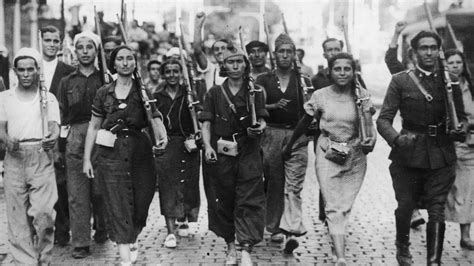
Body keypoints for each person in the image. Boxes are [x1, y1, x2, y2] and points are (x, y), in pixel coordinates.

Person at [377, 31, 467, 265]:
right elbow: (383, 119)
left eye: (433, 47)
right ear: (413, 52)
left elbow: (463, 118)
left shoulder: (450, 82)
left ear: (439, 50)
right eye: (423, 48)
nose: (428, 52)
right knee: (406, 205)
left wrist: (461, 129)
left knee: (437, 208)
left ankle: (433, 261)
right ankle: (402, 245)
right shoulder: (401, 80)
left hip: (442, 153)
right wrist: (396, 140)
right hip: (409, 153)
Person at [283, 52, 375, 265]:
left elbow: (369, 127)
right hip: (328, 153)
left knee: (344, 205)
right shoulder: (320, 96)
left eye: (347, 69)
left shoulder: (363, 96)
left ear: (354, 72)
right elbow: (305, 121)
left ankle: (337, 243)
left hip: (355, 157)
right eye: (337, 69)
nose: (342, 73)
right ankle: (341, 257)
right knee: (333, 205)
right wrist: (290, 145)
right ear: (330, 71)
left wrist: (370, 141)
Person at [83, 45, 167, 266]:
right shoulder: (104, 92)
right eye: (120, 59)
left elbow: (155, 117)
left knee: (141, 202)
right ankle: (124, 257)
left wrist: (162, 136)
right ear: (113, 64)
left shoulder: (143, 91)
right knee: (116, 202)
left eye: (130, 58)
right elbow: (93, 127)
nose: (125, 62)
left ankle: (132, 236)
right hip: (111, 152)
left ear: (135, 63)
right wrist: (86, 160)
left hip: (140, 151)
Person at [199, 43, 268, 265]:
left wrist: (260, 127)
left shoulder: (255, 91)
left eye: (239, 61)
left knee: (249, 199)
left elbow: (263, 118)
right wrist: (207, 146)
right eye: (230, 62)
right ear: (223, 65)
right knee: (223, 200)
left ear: (246, 65)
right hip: (221, 154)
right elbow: (206, 123)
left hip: (248, 153)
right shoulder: (214, 93)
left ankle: (246, 248)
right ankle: (230, 246)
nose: (235, 66)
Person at [0, 47, 60, 265]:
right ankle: (25, 262)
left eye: (30, 69)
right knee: (17, 220)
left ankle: (44, 258)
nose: (26, 74)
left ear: (37, 70)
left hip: (41, 157)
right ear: (15, 71)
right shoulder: (5, 98)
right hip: (14, 158)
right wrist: (6, 139)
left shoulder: (48, 98)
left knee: (44, 215)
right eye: (21, 70)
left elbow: (54, 126)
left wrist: (52, 138)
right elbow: (1, 128)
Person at [256, 33, 310, 253]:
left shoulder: (303, 80)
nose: (285, 56)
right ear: (274, 55)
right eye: (281, 52)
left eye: (290, 51)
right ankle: (275, 226)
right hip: (271, 134)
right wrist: (272, 107)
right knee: (275, 183)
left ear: (295, 54)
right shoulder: (263, 80)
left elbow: (311, 110)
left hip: (297, 136)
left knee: (293, 185)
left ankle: (291, 230)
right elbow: (256, 108)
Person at [57, 31, 108, 258]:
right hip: (76, 137)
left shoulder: (105, 79)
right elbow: (61, 115)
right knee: (77, 193)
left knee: (100, 191)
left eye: (90, 47)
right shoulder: (67, 81)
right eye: (81, 47)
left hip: (103, 136)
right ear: (75, 52)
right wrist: (61, 146)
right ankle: (80, 242)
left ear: (96, 51)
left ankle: (102, 226)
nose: (85, 52)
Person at [154, 59, 203, 248]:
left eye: (176, 71)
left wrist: (195, 111)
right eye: (168, 71)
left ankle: (184, 217)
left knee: (188, 182)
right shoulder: (157, 95)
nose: (172, 75)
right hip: (167, 143)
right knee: (168, 186)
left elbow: (200, 115)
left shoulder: (189, 93)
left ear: (181, 73)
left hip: (187, 143)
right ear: (163, 74)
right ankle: (170, 230)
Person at [384, 22, 426, 230]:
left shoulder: (438, 77)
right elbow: (391, 60)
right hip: (411, 136)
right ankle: (413, 212)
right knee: (406, 176)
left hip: (435, 140)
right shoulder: (404, 77)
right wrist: (396, 33)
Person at [40, 25, 77, 247]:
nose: (52, 45)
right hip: (35, 131)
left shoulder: (68, 70)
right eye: (48, 40)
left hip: (60, 132)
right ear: (41, 41)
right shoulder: (31, 66)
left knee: (61, 183)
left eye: (56, 41)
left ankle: (63, 229)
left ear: (61, 43)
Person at [444, 49, 474, 250]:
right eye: (451, 62)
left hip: (469, 145)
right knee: (442, 191)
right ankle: (434, 229)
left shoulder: (470, 87)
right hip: (445, 145)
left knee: (468, 190)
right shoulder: (441, 86)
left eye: (458, 62)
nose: (455, 66)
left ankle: (465, 235)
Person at [193, 12, 226, 90]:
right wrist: (198, 26)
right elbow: (197, 51)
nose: (220, 51)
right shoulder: (211, 69)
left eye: (223, 48)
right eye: (216, 49)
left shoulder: (237, 71)